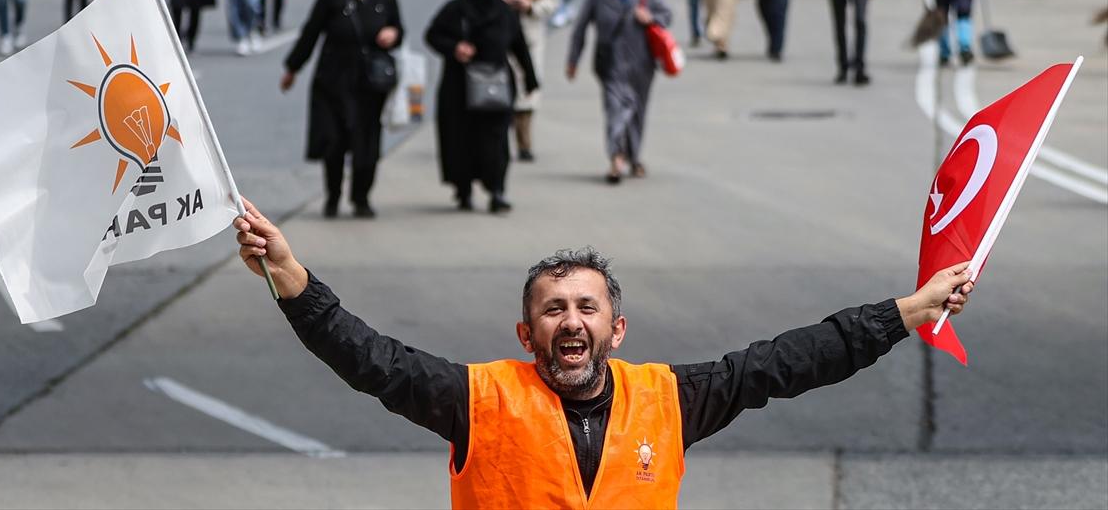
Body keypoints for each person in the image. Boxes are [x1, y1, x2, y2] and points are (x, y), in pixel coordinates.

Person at [234, 190, 975, 508]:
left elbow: (790, 361)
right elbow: (369, 358)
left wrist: (905, 312)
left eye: (587, 307)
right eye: (553, 310)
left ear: (616, 329)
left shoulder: (672, 398)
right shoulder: (476, 400)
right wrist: (290, 277)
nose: (571, 321)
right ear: (527, 336)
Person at [281, 0, 403, 218]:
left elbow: (399, 28)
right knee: (333, 142)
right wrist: (293, 68)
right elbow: (311, 32)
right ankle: (333, 196)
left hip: (370, 86)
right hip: (332, 81)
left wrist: (393, 34)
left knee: (367, 144)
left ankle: (361, 197)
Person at [425, 0, 538, 213]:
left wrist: (530, 79)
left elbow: (519, 46)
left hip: (494, 86)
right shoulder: (454, 9)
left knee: (496, 141)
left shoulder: (503, 11)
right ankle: (463, 190)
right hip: (459, 88)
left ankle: (497, 190)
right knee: (461, 140)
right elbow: (432, 35)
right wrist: (455, 48)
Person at [566, 0, 672, 183]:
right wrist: (573, 59)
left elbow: (667, 16)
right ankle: (616, 157)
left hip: (642, 62)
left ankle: (634, 156)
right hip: (610, 61)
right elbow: (581, 26)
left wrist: (651, 18)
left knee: (637, 110)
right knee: (615, 109)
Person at [489, 0, 559, 162]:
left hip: (530, 39)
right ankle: (502, 143)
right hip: (501, 37)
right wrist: (501, 1)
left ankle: (524, 143)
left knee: (527, 90)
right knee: (502, 90)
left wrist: (530, 5)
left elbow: (551, 2)